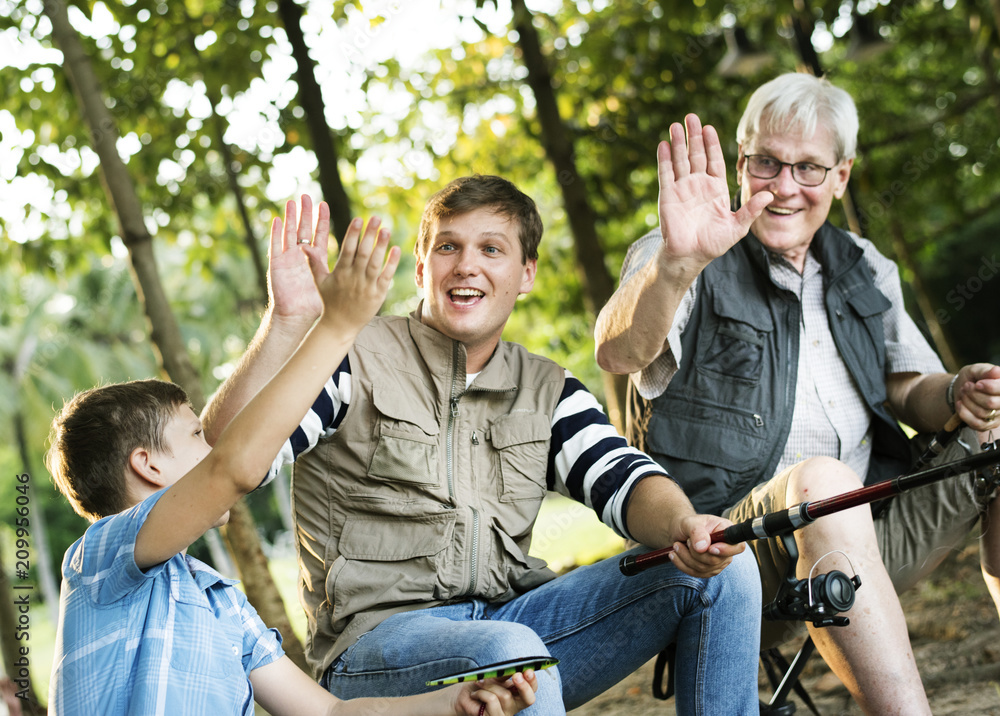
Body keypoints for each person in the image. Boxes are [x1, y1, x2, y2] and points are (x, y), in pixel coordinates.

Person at [201, 183, 763, 714]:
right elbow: (224, 458)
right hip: (374, 648)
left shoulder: (548, 388)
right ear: (421, 270)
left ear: (526, 274)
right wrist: (286, 322)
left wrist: (687, 525)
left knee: (725, 573)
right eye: (448, 246)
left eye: (491, 248)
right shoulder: (351, 357)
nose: (467, 264)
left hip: (515, 621)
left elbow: (622, 476)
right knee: (512, 650)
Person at [594, 71, 1000, 715]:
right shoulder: (682, 250)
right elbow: (619, 352)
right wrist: (676, 264)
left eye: (809, 168)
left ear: (841, 176)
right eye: (767, 163)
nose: (784, 187)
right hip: (727, 556)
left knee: (997, 439)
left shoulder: (864, 265)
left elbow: (906, 388)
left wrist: (956, 391)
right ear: (740, 161)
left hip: (872, 530)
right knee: (824, 481)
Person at [45, 215, 538, 716]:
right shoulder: (100, 560)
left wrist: (454, 702)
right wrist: (337, 327)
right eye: (195, 435)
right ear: (146, 465)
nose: (212, 443)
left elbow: (330, 713)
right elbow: (231, 467)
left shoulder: (222, 603)